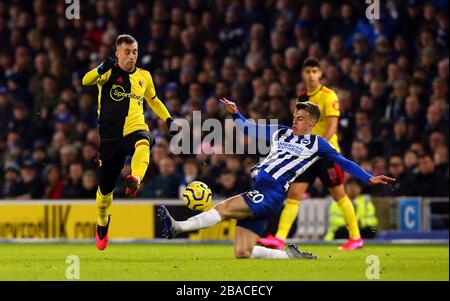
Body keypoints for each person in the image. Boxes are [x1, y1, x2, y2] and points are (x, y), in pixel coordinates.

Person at [158, 99, 395, 259]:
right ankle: (289, 256)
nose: (295, 121)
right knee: (242, 251)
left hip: (272, 191)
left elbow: (343, 161)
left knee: (226, 207)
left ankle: (178, 227)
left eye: (301, 118)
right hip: (259, 187)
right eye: (295, 116)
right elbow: (250, 128)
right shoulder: (281, 131)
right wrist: (236, 113)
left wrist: (368, 178)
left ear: (312, 122)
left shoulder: (317, 144)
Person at [82, 34, 177, 251]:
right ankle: (102, 222)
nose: (132, 56)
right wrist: (99, 69)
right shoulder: (107, 72)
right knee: (105, 191)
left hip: (135, 129)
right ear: (117, 53)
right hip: (109, 139)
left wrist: (169, 119)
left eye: (134, 52)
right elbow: (84, 81)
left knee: (145, 140)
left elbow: (153, 100)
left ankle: (135, 178)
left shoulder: (144, 76)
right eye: (127, 52)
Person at [259, 57, 365, 251]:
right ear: (303, 73)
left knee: (339, 194)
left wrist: (318, 147)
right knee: (294, 194)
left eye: (314, 71)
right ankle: (279, 238)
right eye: (307, 72)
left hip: (326, 154)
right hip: (306, 155)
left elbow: (332, 127)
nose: (311, 75)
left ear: (320, 74)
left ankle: (356, 237)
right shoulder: (302, 97)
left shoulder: (329, 96)